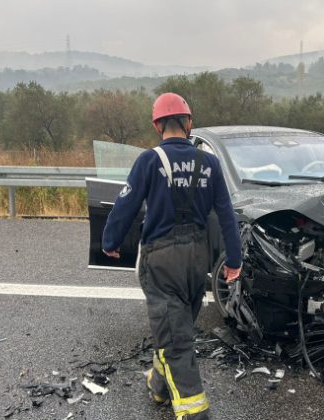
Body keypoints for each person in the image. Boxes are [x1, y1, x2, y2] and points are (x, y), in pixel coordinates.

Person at [101, 92, 242, 419]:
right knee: (176, 327)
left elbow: (126, 206)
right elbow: (226, 216)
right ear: (189, 123)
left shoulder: (150, 161)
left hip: (162, 259)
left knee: (176, 340)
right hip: (197, 260)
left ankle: (195, 413)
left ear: (157, 126)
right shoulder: (210, 163)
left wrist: (110, 241)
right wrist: (233, 260)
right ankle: (159, 386)